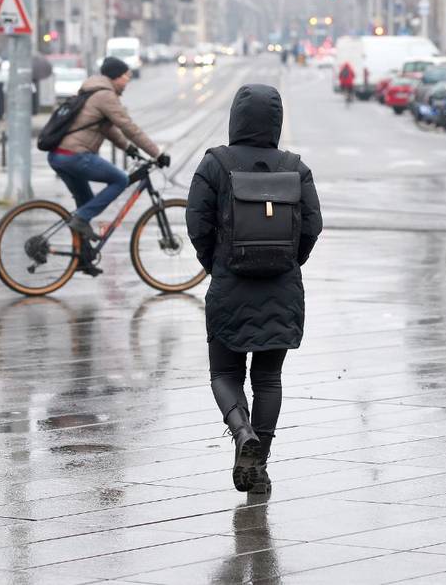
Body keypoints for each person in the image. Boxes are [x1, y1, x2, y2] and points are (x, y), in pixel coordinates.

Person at [186, 84, 322, 495]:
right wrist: (287, 262)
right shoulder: (295, 168)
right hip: (280, 289)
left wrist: (217, 263)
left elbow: (197, 223)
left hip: (230, 284)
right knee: (268, 379)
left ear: (235, 118)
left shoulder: (215, 165)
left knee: (224, 371)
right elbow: (312, 226)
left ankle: (241, 431)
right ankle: (259, 467)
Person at [49, 57, 169, 276]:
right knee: (120, 180)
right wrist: (157, 153)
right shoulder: (106, 95)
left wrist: (129, 149)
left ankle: (82, 258)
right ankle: (81, 220)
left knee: (85, 204)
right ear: (115, 76)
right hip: (75, 156)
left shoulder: (91, 91)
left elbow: (107, 129)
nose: (127, 81)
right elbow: (128, 127)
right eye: (126, 77)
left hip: (59, 156)